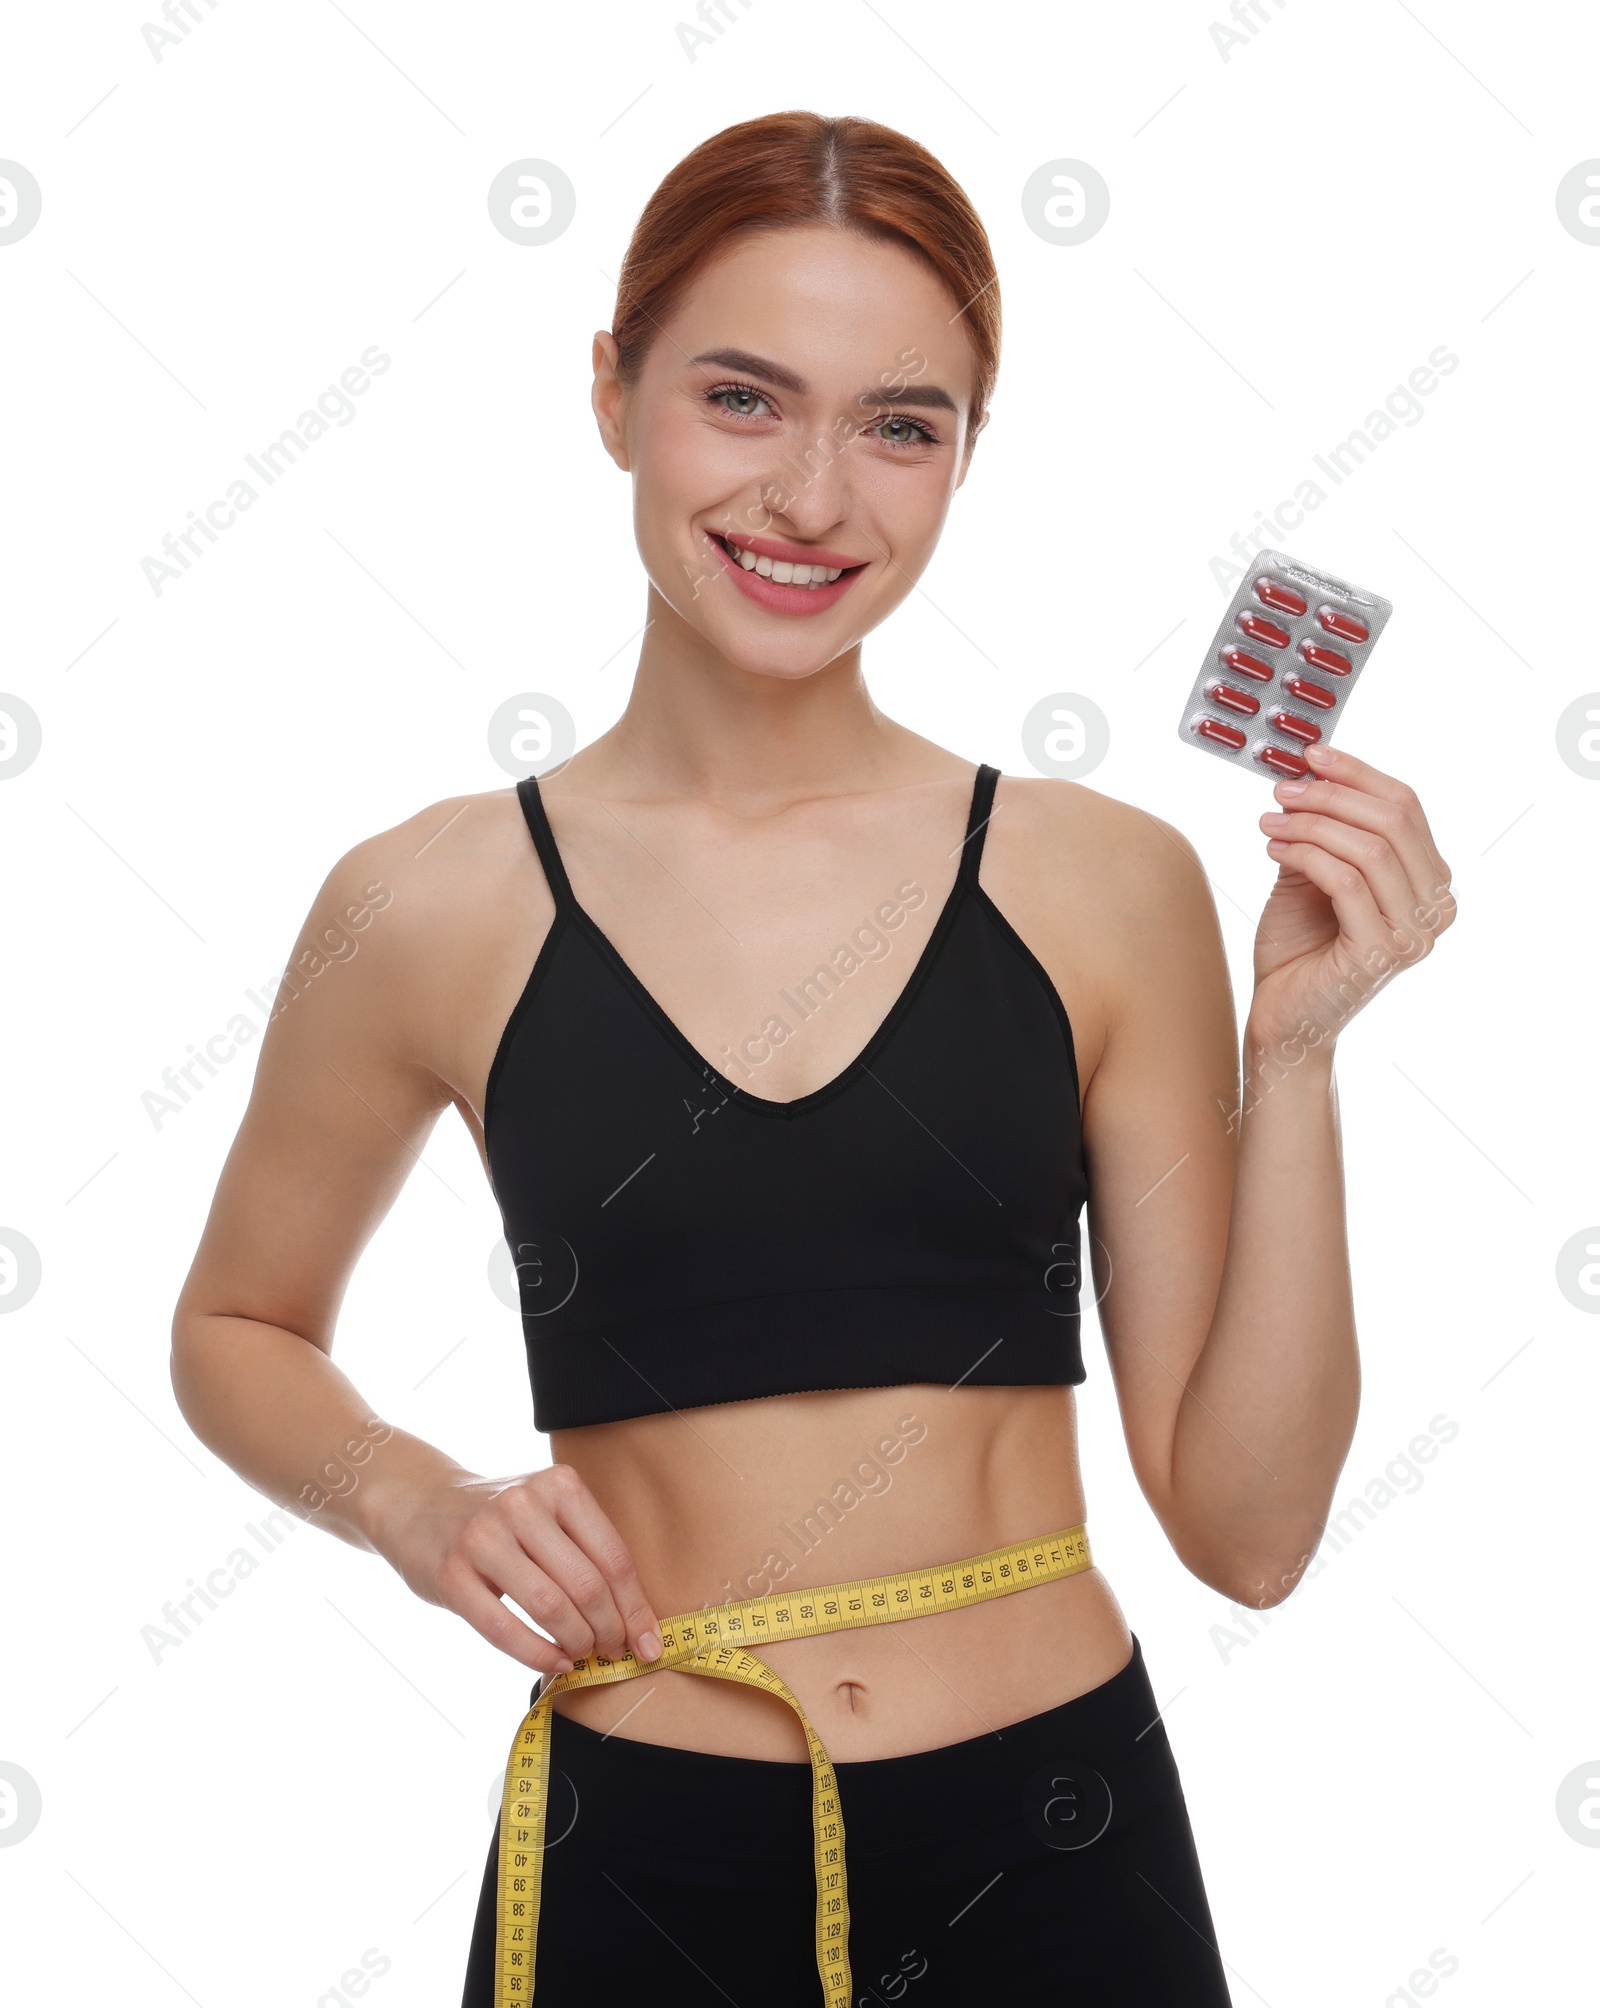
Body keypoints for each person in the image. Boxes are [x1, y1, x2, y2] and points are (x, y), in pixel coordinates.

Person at [169, 110, 1456, 2006]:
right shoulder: (425, 904)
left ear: (965, 459)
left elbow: (1249, 1535)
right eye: (745, 398)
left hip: (1057, 1835)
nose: (815, 499)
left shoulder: (1104, 883)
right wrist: (414, 1502)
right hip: (650, 1860)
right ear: (611, 393)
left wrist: (1307, 1055)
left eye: (901, 424)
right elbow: (237, 1326)